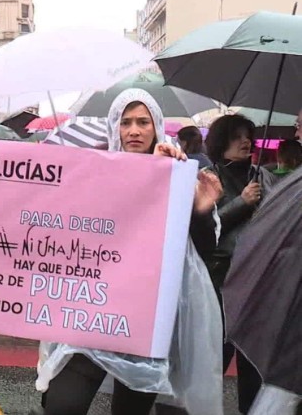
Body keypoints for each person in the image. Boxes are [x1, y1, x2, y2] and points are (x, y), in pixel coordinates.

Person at [34, 89, 224, 415]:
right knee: (63, 403)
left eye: (142, 122)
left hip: (145, 318)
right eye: (125, 123)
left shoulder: (178, 172)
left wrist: (198, 209)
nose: (133, 131)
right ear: (115, 128)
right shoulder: (96, 171)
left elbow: (202, 250)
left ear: (157, 127)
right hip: (95, 306)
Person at [204, 114, 275, 414]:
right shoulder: (208, 178)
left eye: (247, 135)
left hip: (258, 287)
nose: (245, 141)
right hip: (220, 286)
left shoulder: (263, 177)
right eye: (236, 137)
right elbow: (205, 230)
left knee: (253, 370)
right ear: (221, 144)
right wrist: (241, 203)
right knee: (212, 364)